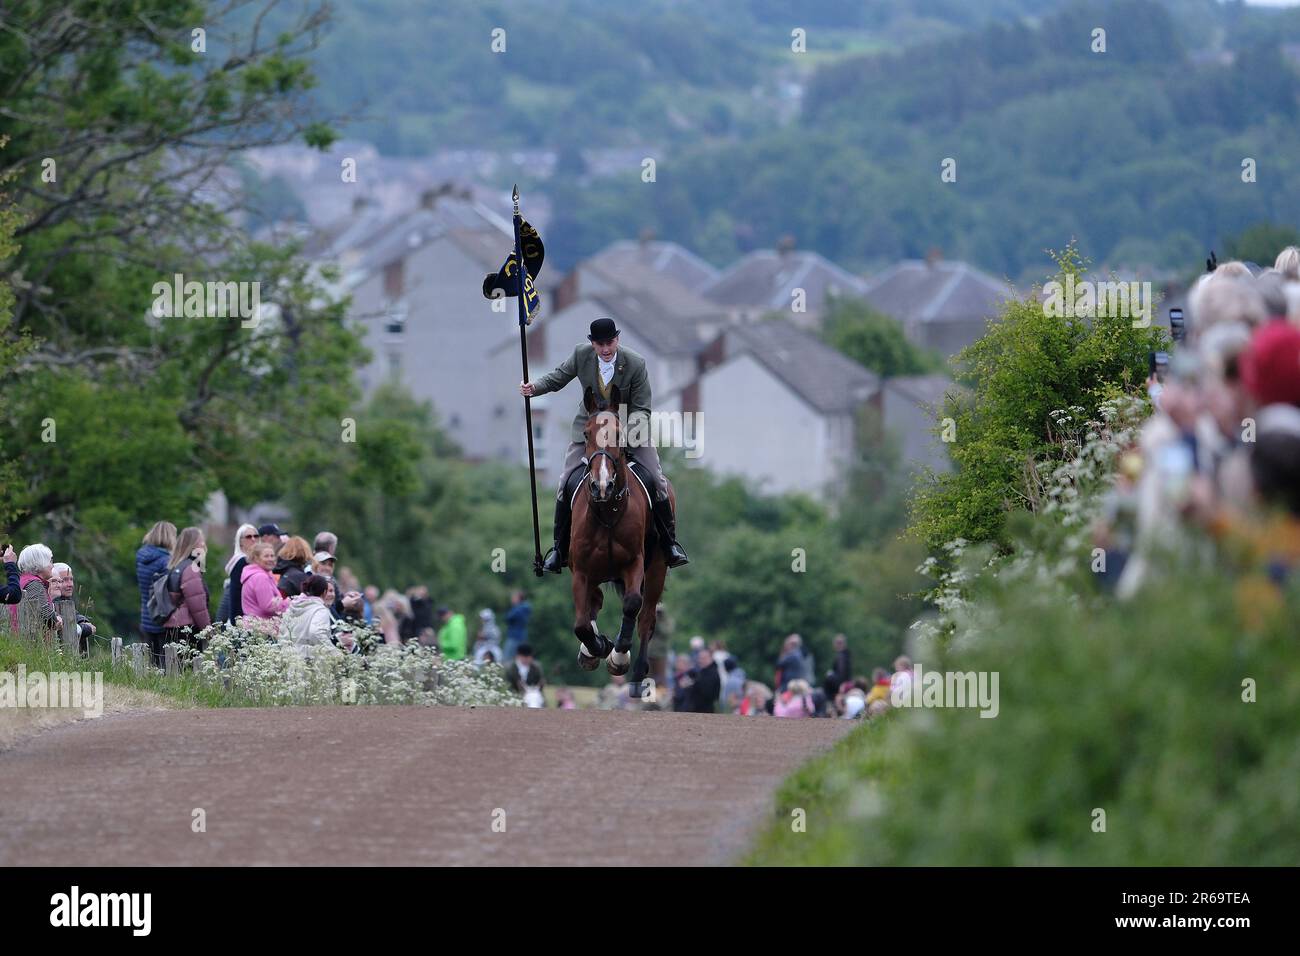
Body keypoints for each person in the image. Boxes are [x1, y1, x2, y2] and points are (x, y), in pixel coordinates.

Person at [520, 316, 688, 572]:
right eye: (600, 344)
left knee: (656, 480)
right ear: (593, 344)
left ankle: (669, 544)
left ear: (617, 340)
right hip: (589, 432)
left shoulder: (635, 363)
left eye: (610, 342)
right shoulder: (581, 355)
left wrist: (624, 435)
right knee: (565, 483)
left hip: (630, 430)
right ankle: (558, 549)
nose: (606, 349)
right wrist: (535, 388)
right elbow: (557, 378)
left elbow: (642, 408)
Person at [161, 526, 211, 647]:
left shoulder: (176, 565)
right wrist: (208, 630)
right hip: (187, 629)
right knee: (191, 665)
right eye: (201, 540)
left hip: (173, 625)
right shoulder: (191, 569)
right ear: (193, 545)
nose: (204, 544)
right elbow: (198, 606)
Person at [135, 521, 176, 666]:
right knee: (167, 665)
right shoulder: (165, 561)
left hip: (146, 616)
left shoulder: (141, 557)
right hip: (162, 619)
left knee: (153, 664)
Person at [281, 573, 347, 655]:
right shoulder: (320, 610)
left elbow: (282, 630)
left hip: (287, 656)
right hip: (307, 659)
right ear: (324, 592)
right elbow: (316, 632)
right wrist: (334, 652)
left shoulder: (293, 605)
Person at [12, 543, 60, 642]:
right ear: (40, 562)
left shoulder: (22, 580)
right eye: (50, 561)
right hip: (25, 640)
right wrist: (56, 621)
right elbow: (45, 613)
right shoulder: (33, 583)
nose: (52, 565)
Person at [48, 563, 96, 652]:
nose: (70, 584)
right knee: (21, 666)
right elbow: (67, 627)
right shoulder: (51, 603)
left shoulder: (66, 602)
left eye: (71, 579)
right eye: (64, 580)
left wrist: (82, 621)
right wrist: (83, 628)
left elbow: (74, 615)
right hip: (53, 659)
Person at [219, 523, 258, 624]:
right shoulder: (241, 561)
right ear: (240, 542)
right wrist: (236, 621)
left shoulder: (254, 560)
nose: (253, 539)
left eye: (256, 536)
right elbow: (236, 592)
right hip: (243, 618)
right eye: (249, 537)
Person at [240, 542, 289, 619]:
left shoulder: (257, 575)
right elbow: (268, 606)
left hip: (254, 625)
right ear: (256, 558)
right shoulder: (260, 577)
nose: (270, 559)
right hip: (261, 626)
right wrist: (289, 603)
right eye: (266, 556)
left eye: (272, 556)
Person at [685, 648, 720, 713]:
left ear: (711, 658)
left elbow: (707, 692)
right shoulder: (703, 671)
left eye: (704, 658)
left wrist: (692, 684)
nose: (700, 661)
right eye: (699, 658)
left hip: (705, 710)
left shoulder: (712, 673)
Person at [503, 589, 531, 661]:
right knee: (519, 659)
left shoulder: (518, 609)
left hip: (514, 637)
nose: (512, 599)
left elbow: (508, 618)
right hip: (522, 636)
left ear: (518, 598)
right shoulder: (525, 608)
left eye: (514, 597)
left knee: (507, 659)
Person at [823, 633, 852, 699]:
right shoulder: (846, 654)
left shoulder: (841, 656)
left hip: (840, 685)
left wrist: (830, 675)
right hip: (845, 682)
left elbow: (842, 673)